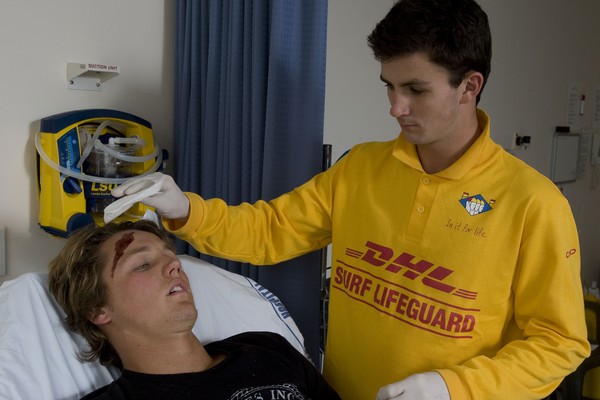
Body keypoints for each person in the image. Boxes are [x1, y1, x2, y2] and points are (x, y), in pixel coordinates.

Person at [111, 0, 590, 398]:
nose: (395, 107)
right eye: (389, 86)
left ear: (470, 86)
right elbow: (271, 231)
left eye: (415, 90)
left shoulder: (533, 203)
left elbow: (559, 344)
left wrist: (453, 388)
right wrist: (185, 209)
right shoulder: (362, 168)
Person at [48, 220, 340, 400]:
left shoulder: (267, 349)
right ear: (97, 308)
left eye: (171, 255)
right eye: (142, 264)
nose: (175, 265)